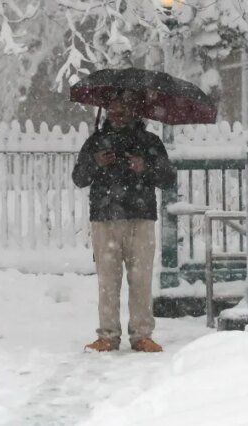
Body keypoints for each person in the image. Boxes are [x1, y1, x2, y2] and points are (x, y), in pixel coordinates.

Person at [72, 92, 176, 353]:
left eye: (123, 111)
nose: (117, 116)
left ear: (134, 112)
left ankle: (142, 334)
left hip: (140, 218)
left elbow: (168, 178)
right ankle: (108, 335)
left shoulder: (149, 142)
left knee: (141, 279)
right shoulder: (96, 142)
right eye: (113, 111)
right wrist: (95, 162)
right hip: (104, 218)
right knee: (107, 280)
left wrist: (145, 168)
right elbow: (79, 178)